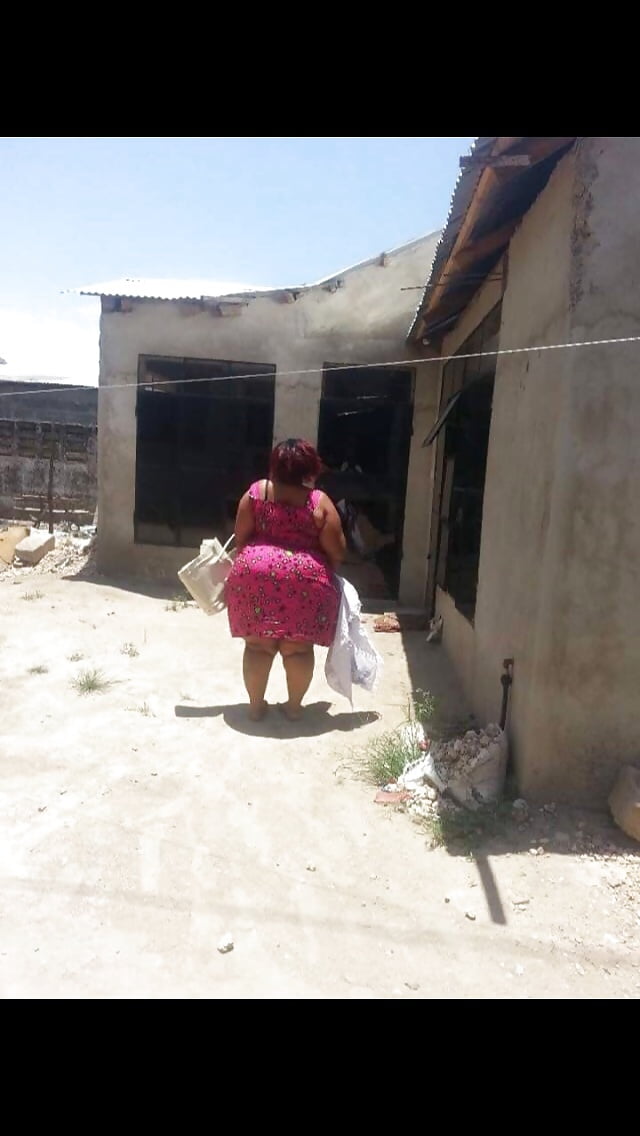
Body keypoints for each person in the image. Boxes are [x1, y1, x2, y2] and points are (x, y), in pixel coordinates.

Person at [225, 438, 346, 721]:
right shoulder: (318, 502)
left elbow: (240, 539)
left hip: (255, 574)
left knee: (257, 646)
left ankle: (256, 707)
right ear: (310, 468)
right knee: (297, 649)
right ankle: (293, 708)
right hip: (305, 581)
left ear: (274, 466)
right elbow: (337, 550)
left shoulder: (256, 493)